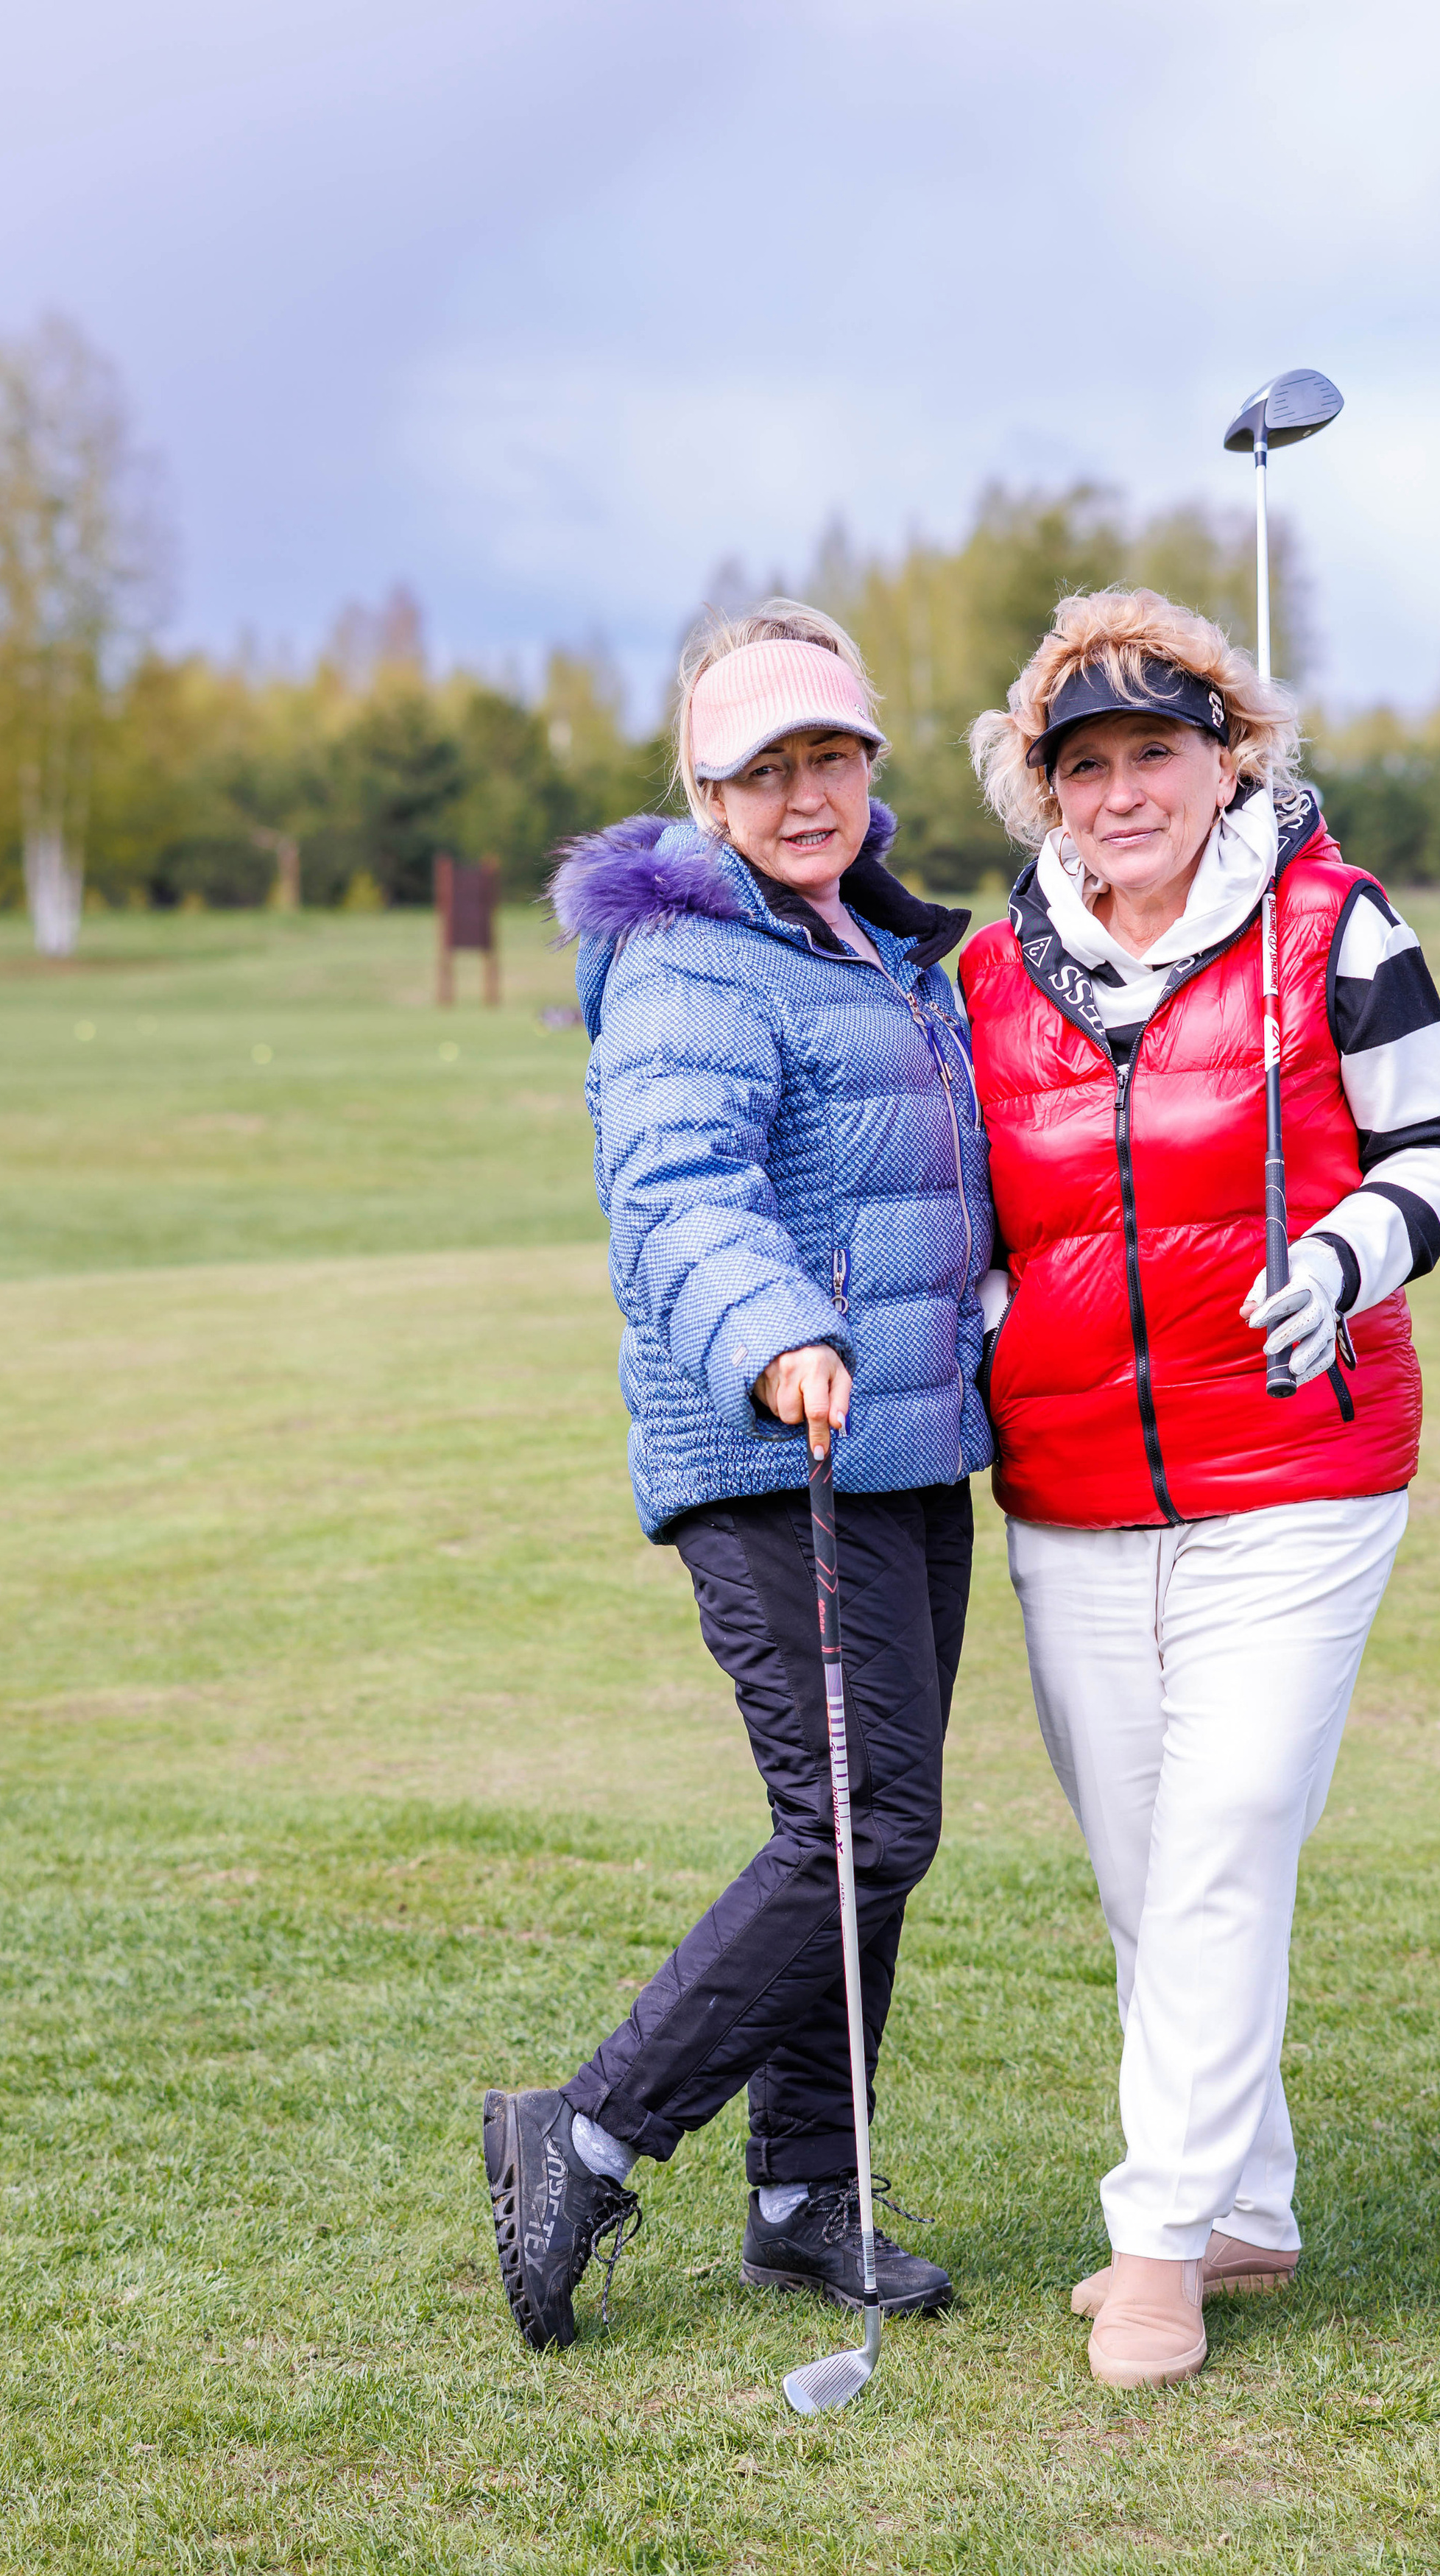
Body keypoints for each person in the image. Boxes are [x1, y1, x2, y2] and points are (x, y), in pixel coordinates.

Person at [959, 587, 1440, 2390]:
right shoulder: (989, 974)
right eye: (1081, 764)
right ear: (1041, 792)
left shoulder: (1332, 925)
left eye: (1154, 754)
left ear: (1224, 756)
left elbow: (1435, 1147)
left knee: (1223, 1833)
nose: (1120, 793)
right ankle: (1246, 2200)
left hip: (1300, 1459)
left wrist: (1340, 1256)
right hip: (1075, 1486)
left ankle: (1157, 2246)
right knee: (1140, 1872)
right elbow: (974, 1217)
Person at [483, 601, 995, 2350]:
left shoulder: (872, 947)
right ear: (703, 793)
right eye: (760, 767)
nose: (802, 791)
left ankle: (801, 2197)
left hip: (910, 1445)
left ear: (867, 764)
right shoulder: (695, 964)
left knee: (869, 1836)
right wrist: (774, 1328)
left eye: (828, 756)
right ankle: (587, 2133)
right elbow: (676, 1192)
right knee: (858, 1823)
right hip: (776, 1441)